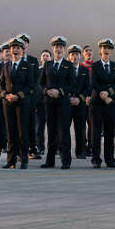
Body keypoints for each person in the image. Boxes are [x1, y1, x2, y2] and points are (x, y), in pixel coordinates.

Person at [39, 36, 74, 169]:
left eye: (60, 47)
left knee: (64, 132)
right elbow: (40, 83)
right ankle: (50, 161)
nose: (58, 49)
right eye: (56, 47)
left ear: (64, 50)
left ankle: (66, 161)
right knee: (51, 132)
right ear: (53, 49)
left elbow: (72, 84)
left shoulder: (68, 65)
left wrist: (59, 91)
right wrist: (47, 91)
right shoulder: (47, 65)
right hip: (49, 103)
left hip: (63, 103)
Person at [0, 37, 34, 169]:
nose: (15, 50)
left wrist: (17, 96)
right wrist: (5, 95)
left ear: (22, 50)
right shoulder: (6, 66)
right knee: (11, 131)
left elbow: (30, 85)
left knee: (22, 132)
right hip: (8, 103)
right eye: (13, 48)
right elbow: (0, 84)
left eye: (18, 48)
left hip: (22, 103)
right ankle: (11, 160)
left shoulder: (27, 66)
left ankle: (24, 159)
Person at [90, 38, 115, 168]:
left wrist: (109, 93)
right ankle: (96, 159)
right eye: (104, 48)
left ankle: (110, 159)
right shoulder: (95, 66)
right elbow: (93, 83)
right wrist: (103, 94)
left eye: (108, 48)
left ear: (111, 50)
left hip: (111, 103)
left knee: (110, 133)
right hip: (97, 104)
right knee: (96, 133)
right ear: (100, 50)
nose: (106, 50)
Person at [67, 45, 90, 159]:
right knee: (65, 129)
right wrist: (69, 98)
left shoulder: (84, 70)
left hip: (80, 104)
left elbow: (87, 88)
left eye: (76, 54)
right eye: (72, 54)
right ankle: (64, 151)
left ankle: (80, 151)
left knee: (80, 128)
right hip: (67, 103)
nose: (74, 56)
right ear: (69, 56)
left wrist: (80, 98)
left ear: (80, 56)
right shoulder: (65, 69)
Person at [35, 48, 52, 157]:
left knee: (53, 127)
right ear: (41, 58)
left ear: (50, 58)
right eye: (43, 55)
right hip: (40, 103)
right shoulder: (37, 71)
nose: (45, 57)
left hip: (51, 102)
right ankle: (40, 147)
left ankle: (55, 148)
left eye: (47, 56)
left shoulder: (53, 69)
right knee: (39, 127)